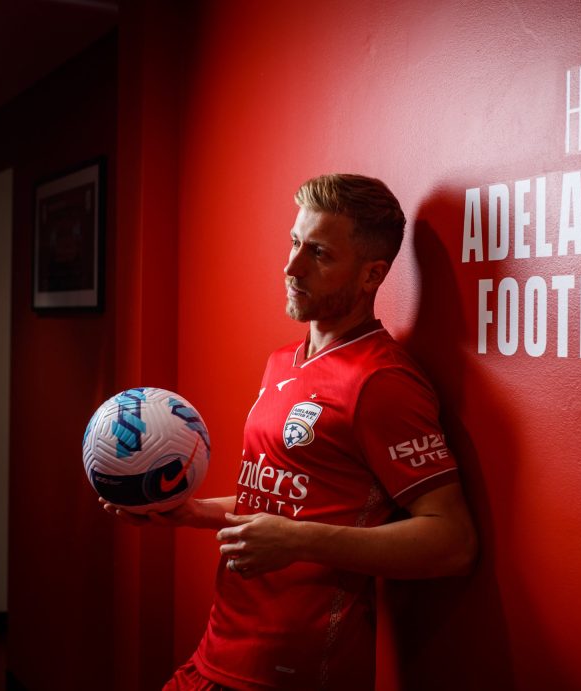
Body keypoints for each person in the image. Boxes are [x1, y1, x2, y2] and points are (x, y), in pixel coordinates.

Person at [101, 173, 478, 690]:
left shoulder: (384, 382)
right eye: (295, 242)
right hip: (219, 649)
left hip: (295, 672)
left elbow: (453, 541)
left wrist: (298, 540)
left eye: (318, 254)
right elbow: (289, 506)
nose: (291, 266)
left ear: (371, 276)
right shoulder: (283, 361)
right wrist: (191, 512)